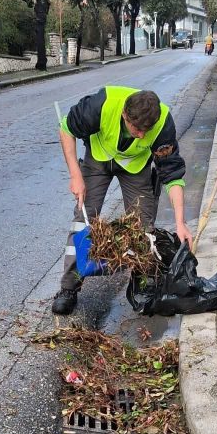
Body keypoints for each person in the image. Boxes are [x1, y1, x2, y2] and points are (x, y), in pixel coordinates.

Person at [51, 86, 192, 315]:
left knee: (143, 228)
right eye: (136, 128)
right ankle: (68, 289)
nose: (141, 136)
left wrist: (180, 222)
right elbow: (66, 128)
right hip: (99, 158)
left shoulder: (162, 123)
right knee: (83, 221)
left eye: (146, 130)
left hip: (135, 167)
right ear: (125, 115)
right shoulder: (101, 105)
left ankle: (143, 287)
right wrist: (76, 175)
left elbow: (172, 174)